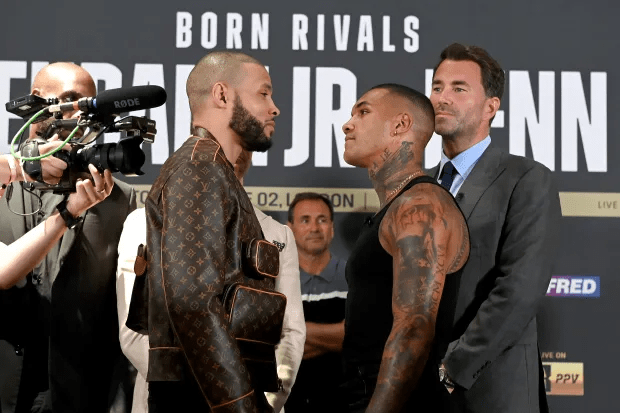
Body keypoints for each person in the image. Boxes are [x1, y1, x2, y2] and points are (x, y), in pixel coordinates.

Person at [115, 148, 305, 413]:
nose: (233, 151)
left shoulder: (277, 233)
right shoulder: (141, 223)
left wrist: (263, 402)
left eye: (241, 144)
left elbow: (291, 332)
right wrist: (202, 396)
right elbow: (133, 333)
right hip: (170, 401)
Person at [143, 51, 280, 412]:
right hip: (203, 394)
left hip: (209, 388)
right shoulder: (199, 168)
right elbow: (192, 302)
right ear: (222, 95)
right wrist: (239, 404)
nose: (274, 108)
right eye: (263, 94)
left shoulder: (213, 168)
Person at [428, 43, 561, 413]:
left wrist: (451, 369)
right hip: (418, 390)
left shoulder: (527, 179)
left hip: (492, 391)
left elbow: (518, 290)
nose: (442, 97)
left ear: (491, 106)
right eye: (437, 87)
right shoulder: (418, 187)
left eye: (458, 88)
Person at [0, 62, 136, 413]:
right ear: (34, 104)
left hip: (83, 395)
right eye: (70, 101)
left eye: (90, 107)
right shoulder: (2, 183)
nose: (80, 116)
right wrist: (23, 166)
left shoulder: (124, 200)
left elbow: (130, 319)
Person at [341, 83, 470, 413]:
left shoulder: (421, 205)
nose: (348, 123)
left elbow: (414, 327)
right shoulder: (399, 206)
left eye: (363, 112)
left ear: (400, 125)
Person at [284, 192, 348, 413]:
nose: (314, 228)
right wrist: (333, 336)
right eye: (305, 220)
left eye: (322, 220)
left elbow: (357, 338)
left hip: (342, 402)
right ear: (289, 228)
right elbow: (270, 342)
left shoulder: (354, 277)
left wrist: (295, 334)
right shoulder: (275, 281)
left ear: (332, 227)